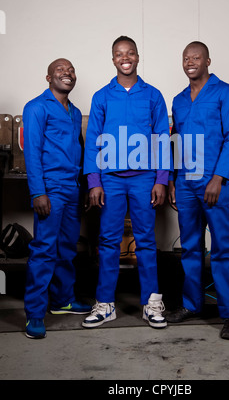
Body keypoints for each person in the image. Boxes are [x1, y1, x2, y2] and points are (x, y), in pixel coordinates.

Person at [82, 36, 169, 329]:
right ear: (113, 59)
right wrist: (94, 182)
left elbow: (161, 139)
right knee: (108, 241)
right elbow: (93, 141)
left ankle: (151, 303)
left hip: (145, 179)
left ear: (137, 56)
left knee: (146, 241)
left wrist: (161, 179)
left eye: (130, 52)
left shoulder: (153, 95)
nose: (125, 57)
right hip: (111, 180)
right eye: (119, 54)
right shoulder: (102, 96)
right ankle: (105, 304)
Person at [167, 41, 229, 340]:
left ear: (207, 60)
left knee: (223, 247)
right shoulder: (179, 99)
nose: (190, 61)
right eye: (186, 58)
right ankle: (191, 305)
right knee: (190, 246)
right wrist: (174, 179)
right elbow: (176, 141)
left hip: (213, 181)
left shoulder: (226, 93)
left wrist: (219, 177)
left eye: (196, 57)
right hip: (185, 181)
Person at [23, 58, 91, 339]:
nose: (67, 73)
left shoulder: (74, 112)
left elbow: (79, 150)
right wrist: (38, 191)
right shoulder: (36, 107)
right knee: (44, 251)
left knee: (67, 249)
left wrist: (85, 187)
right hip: (49, 189)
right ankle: (35, 315)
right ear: (48, 77)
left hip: (72, 188)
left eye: (71, 70)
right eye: (60, 70)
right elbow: (32, 151)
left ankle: (62, 300)